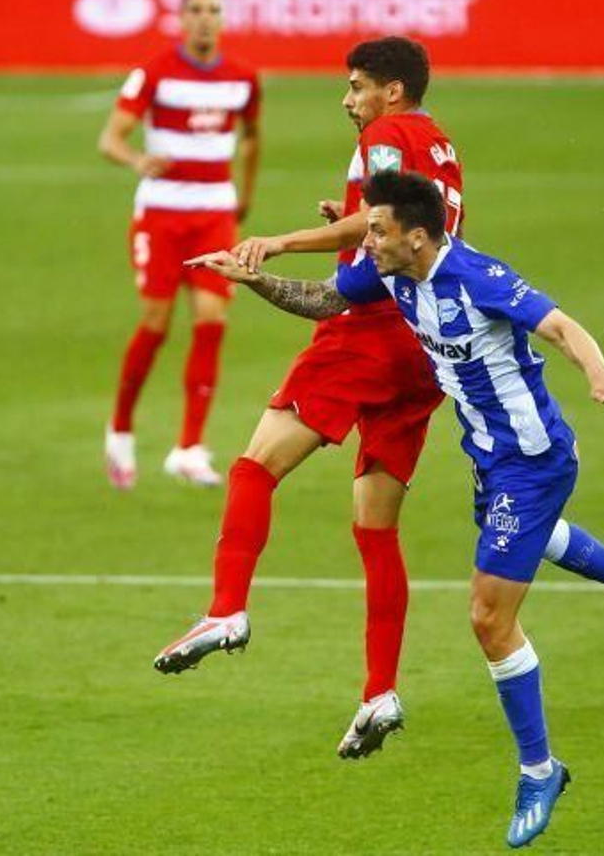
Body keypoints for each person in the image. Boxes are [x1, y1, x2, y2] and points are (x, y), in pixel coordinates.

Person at [190, 169, 604, 849]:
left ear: (417, 236)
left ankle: (540, 768)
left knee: (488, 616)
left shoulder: (478, 277)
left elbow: (558, 323)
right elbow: (328, 299)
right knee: (520, 540)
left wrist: (598, 374)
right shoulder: (389, 271)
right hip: (489, 455)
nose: (367, 237)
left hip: (533, 461)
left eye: (378, 228)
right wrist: (256, 279)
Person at [152, 37, 465, 762]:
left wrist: (284, 241)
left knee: (254, 466)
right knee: (375, 528)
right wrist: (346, 224)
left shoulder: (386, 134)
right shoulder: (440, 144)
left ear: (391, 89)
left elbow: (380, 218)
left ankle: (226, 610)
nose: (347, 99)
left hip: (371, 334)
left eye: (356, 86)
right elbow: (401, 224)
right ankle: (379, 690)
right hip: (427, 344)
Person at [97, 0, 261, 489]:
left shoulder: (243, 80)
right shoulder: (155, 73)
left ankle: (189, 446)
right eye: (197, 11)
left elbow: (252, 137)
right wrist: (138, 160)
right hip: (162, 216)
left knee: (212, 319)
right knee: (157, 320)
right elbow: (110, 138)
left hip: (214, 215)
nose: (206, 20)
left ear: (224, 20)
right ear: (181, 20)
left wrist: (243, 198)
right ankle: (120, 429)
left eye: (214, 11)